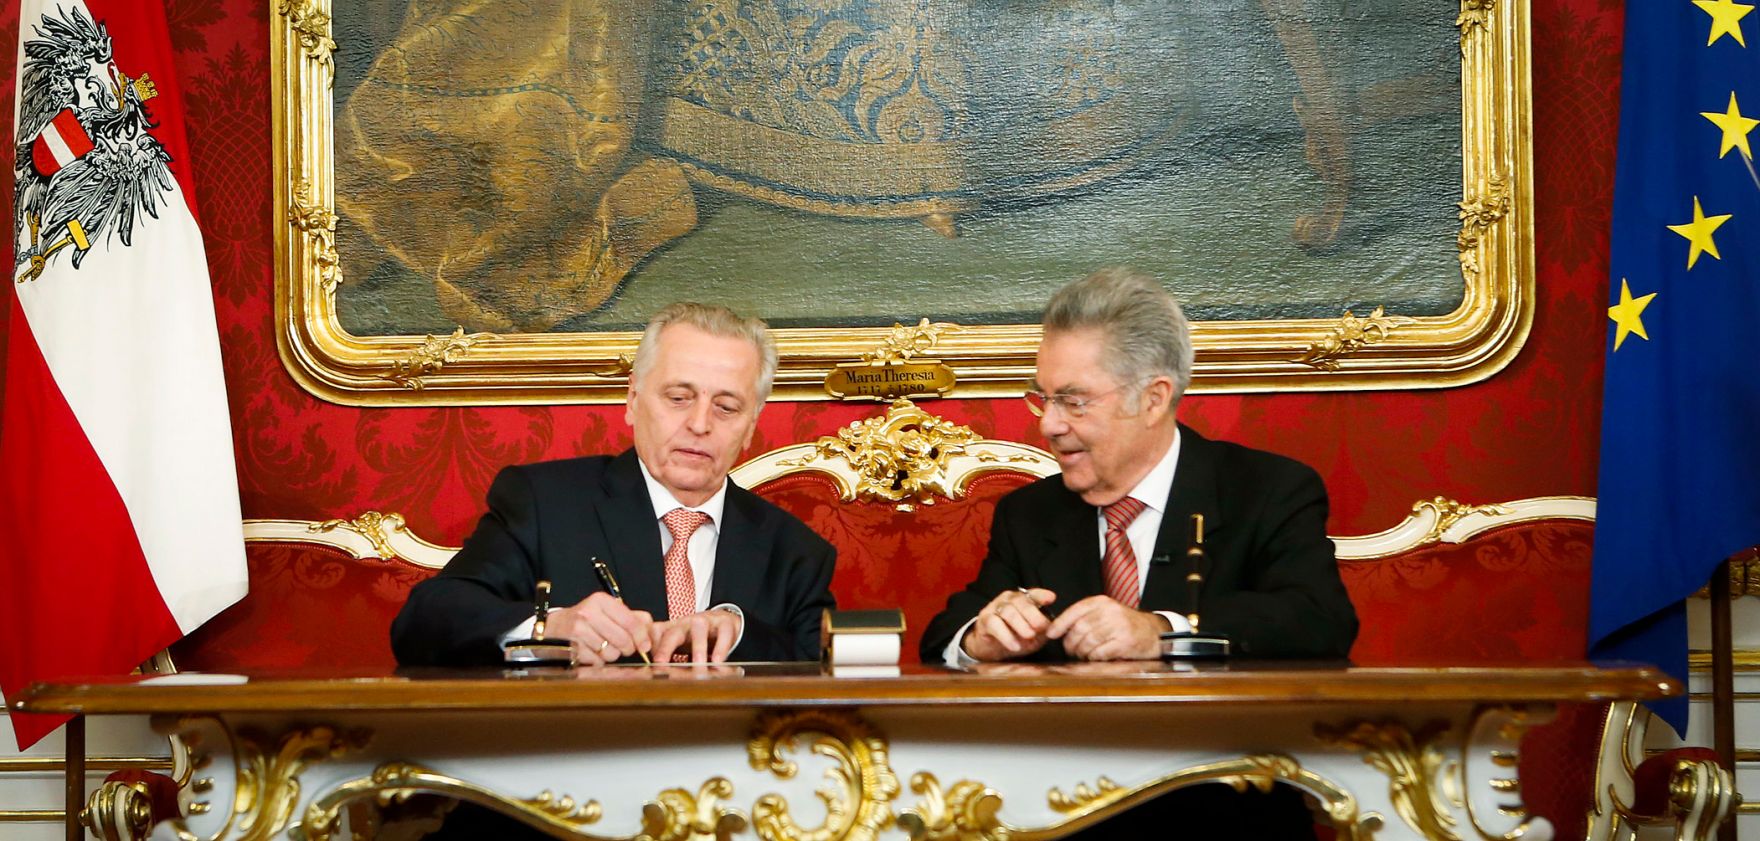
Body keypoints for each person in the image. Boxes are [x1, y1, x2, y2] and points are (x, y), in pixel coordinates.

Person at [919, 268, 1357, 839]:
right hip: (1054, 817)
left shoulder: (1266, 491)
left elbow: (1319, 620)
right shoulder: (1030, 513)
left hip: (1225, 812)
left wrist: (1162, 632)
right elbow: (946, 634)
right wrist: (982, 636)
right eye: (1043, 399)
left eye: (1073, 402)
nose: (1049, 425)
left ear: (1154, 399)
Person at [392, 302, 836, 667]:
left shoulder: (795, 551)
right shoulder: (545, 505)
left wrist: (740, 635)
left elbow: (827, 668)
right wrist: (550, 629)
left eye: (726, 407)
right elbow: (426, 620)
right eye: (678, 398)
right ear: (633, 400)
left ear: (752, 425)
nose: (699, 424)